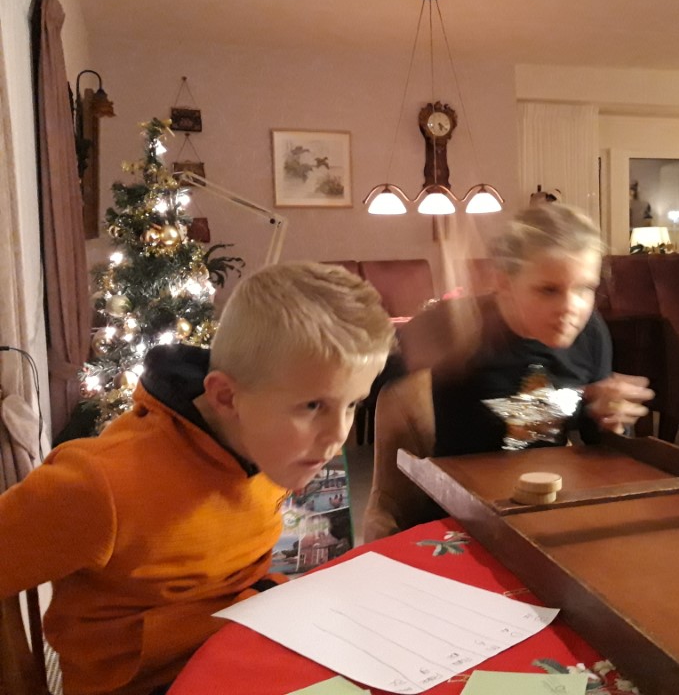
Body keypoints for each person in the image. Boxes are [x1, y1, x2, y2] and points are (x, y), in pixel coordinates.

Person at [0, 262, 394, 695]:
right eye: (313, 406)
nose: (338, 436)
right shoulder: (99, 484)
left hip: (245, 642)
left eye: (352, 404)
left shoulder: (271, 446)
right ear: (225, 396)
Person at [364, 203, 654, 540]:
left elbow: (595, 443)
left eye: (585, 289)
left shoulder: (591, 333)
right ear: (504, 283)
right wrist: (414, 348)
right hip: (462, 516)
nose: (571, 307)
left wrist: (610, 419)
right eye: (548, 290)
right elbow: (357, 389)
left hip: (547, 510)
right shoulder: (457, 324)